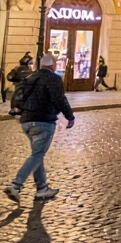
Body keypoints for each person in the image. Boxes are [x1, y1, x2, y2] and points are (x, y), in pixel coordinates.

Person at [5, 55, 75, 203]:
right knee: (37, 155)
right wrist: (70, 117)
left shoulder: (29, 77)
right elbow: (60, 99)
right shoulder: (54, 79)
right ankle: (16, 185)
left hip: (26, 121)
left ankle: (42, 188)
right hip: (44, 120)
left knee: (37, 155)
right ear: (53, 65)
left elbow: (19, 97)